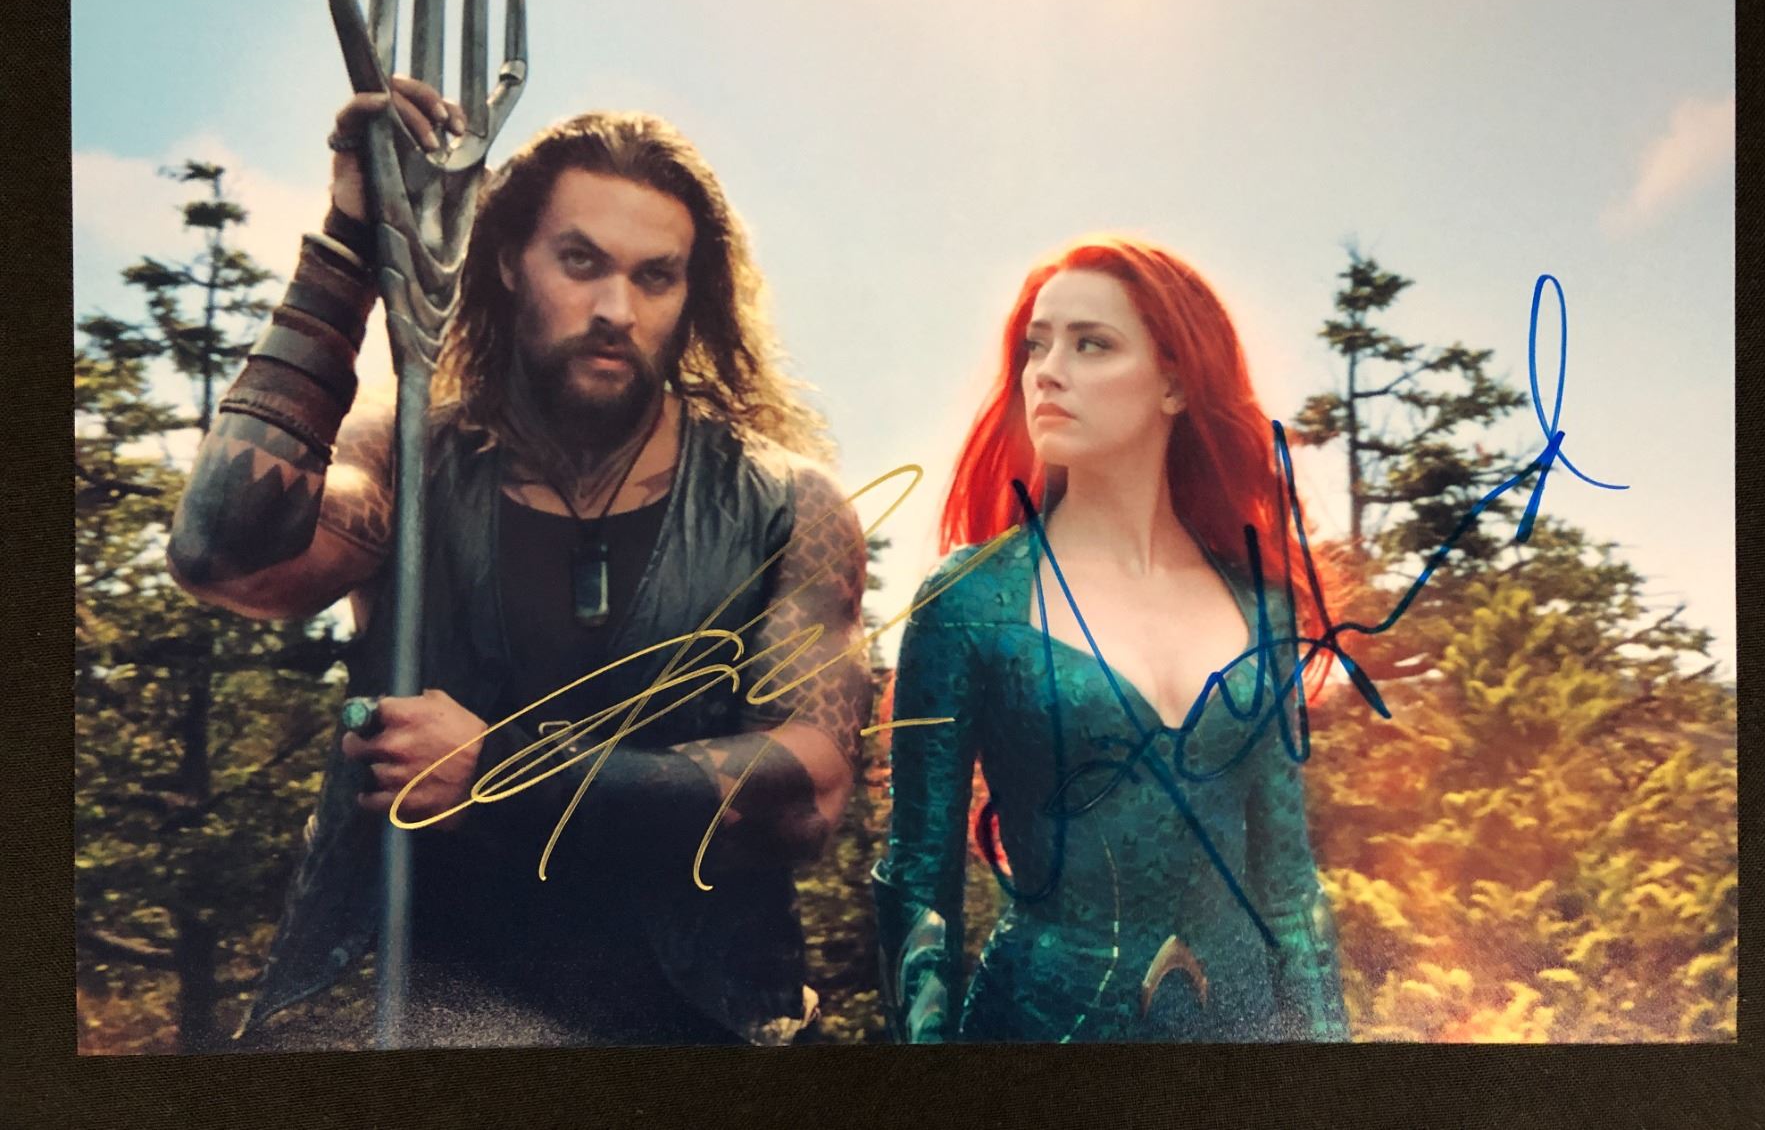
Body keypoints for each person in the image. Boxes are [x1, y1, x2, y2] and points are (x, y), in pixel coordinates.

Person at [168, 76, 873, 1048]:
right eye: (580, 261)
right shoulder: (408, 460)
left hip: (697, 1018)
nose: (616, 308)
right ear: (508, 261)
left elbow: (809, 793)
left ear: (692, 295)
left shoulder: (786, 502)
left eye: (655, 276)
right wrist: (352, 246)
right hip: (418, 1007)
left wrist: (502, 774)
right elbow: (224, 554)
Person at [872, 236, 1348, 1043]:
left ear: (1174, 383)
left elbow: (1288, 887)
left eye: (1091, 344)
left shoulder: (1262, 605)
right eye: (1036, 346)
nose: (1047, 371)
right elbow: (921, 888)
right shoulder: (970, 600)